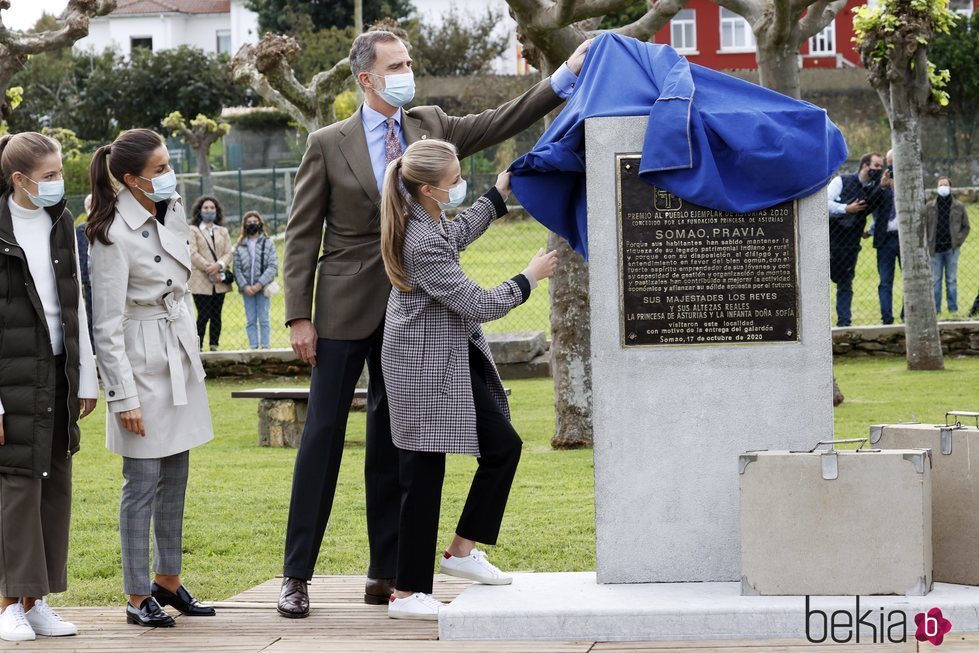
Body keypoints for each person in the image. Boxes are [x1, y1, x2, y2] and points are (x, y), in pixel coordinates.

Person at [277, 27, 591, 618]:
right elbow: (301, 235)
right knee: (321, 441)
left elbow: (502, 119)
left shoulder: (430, 124)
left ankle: (389, 572)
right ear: (366, 77)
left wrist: (565, 76)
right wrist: (299, 315)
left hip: (416, 320)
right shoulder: (327, 142)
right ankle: (297, 576)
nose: (407, 71)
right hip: (346, 311)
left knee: (398, 449)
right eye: (396, 64)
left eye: (409, 62)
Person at [379, 139, 556, 620]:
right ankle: (406, 593)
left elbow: (456, 234)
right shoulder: (419, 240)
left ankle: (460, 552)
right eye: (454, 181)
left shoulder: (429, 221)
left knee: (502, 447)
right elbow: (478, 304)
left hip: (447, 358)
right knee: (423, 473)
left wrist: (496, 196)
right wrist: (529, 277)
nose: (461, 185)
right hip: (420, 366)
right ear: (427, 190)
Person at [87, 128, 216, 627]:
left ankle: (168, 579)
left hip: (176, 349)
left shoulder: (173, 207)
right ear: (129, 180)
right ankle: (137, 594)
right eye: (159, 170)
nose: (170, 176)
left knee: (176, 475)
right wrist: (123, 397)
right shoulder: (110, 233)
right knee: (141, 480)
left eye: (169, 165)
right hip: (139, 360)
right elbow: (105, 324)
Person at [0, 132, 99, 642]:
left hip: (60, 371)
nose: (59, 184)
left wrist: (85, 375)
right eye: (50, 177)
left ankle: (37, 601)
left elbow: (75, 300)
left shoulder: (61, 223)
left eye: (61, 173)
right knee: (18, 484)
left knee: (54, 482)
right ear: (20, 180)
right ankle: (8, 603)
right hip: (12, 376)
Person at [827, 152, 885, 326]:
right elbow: (823, 203)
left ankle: (844, 322)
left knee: (845, 284)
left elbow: (877, 212)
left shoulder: (873, 189)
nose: (879, 169)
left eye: (881, 167)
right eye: (876, 166)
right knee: (821, 283)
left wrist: (870, 231)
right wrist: (846, 208)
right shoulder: (841, 181)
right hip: (829, 241)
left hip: (851, 244)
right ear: (865, 165)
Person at [188, 196, 232, 351]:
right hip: (200, 280)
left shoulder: (223, 231)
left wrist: (218, 266)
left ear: (217, 211)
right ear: (199, 211)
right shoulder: (193, 230)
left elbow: (228, 252)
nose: (209, 210)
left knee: (216, 315)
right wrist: (209, 268)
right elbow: (192, 253)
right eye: (206, 208)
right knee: (203, 315)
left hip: (219, 280)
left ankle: (214, 345)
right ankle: (197, 347)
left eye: (212, 208)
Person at [233, 211, 278, 349]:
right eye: (249, 222)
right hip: (247, 290)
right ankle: (253, 347)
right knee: (250, 320)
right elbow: (237, 268)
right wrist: (245, 286)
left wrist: (259, 284)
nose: (252, 224)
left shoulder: (268, 243)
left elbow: (273, 266)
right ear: (245, 225)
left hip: (263, 288)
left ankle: (265, 346)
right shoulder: (240, 245)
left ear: (260, 224)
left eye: (255, 222)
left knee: (264, 319)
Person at [925, 177, 970, 314]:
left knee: (951, 280)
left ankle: (953, 309)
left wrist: (958, 241)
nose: (943, 187)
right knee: (935, 281)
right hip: (935, 250)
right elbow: (924, 227)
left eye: (945, 185)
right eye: (940, 185)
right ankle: (936, 310)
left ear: (950, 187)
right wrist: (928, 242)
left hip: (952, 249)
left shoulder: (959, 206)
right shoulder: (929, 206)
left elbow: (966, 226)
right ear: (937, 187)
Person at [869, 150, 901, 324]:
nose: (891, 166)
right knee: (885, 282)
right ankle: (887, 319)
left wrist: (898, 187)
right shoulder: (881, 183)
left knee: (910, 281)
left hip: (905, 239)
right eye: (889, 163)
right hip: (885, 239)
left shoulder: (910, 182)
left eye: (894, 162)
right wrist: (882, 186)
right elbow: (870, 204)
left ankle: (907, 316)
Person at [75, 194, 94, 344]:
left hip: (106, 280)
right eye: (89, 206)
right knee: (91, 316)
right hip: (88, 282)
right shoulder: (79, 231)